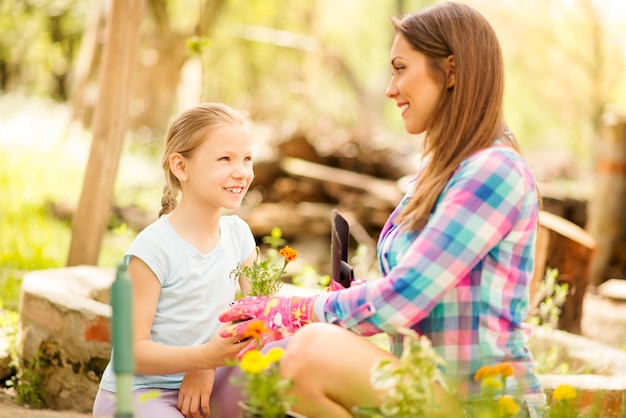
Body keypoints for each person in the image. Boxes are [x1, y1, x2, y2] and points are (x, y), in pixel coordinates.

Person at [219, 2, 547, 417]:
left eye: (400, 68)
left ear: (451, 71)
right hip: (426, 390)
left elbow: (405, 299)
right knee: (301, 359)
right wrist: (356, 297)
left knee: (311, 352)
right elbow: (419, 294)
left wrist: (296, 310)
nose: (391, 88)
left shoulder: (492, 170)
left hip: (485, 406)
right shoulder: (440, 173)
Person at [93, 102, 266, 418]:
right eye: (225, 158)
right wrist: (202, 358)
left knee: (285, 366)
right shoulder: (153, 248)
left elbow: (262, 314)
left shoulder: (238, 235)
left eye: (247, 158)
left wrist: (207, 365)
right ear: (181, 167)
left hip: (206, 382)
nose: (242, 171)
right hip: (140, 396)